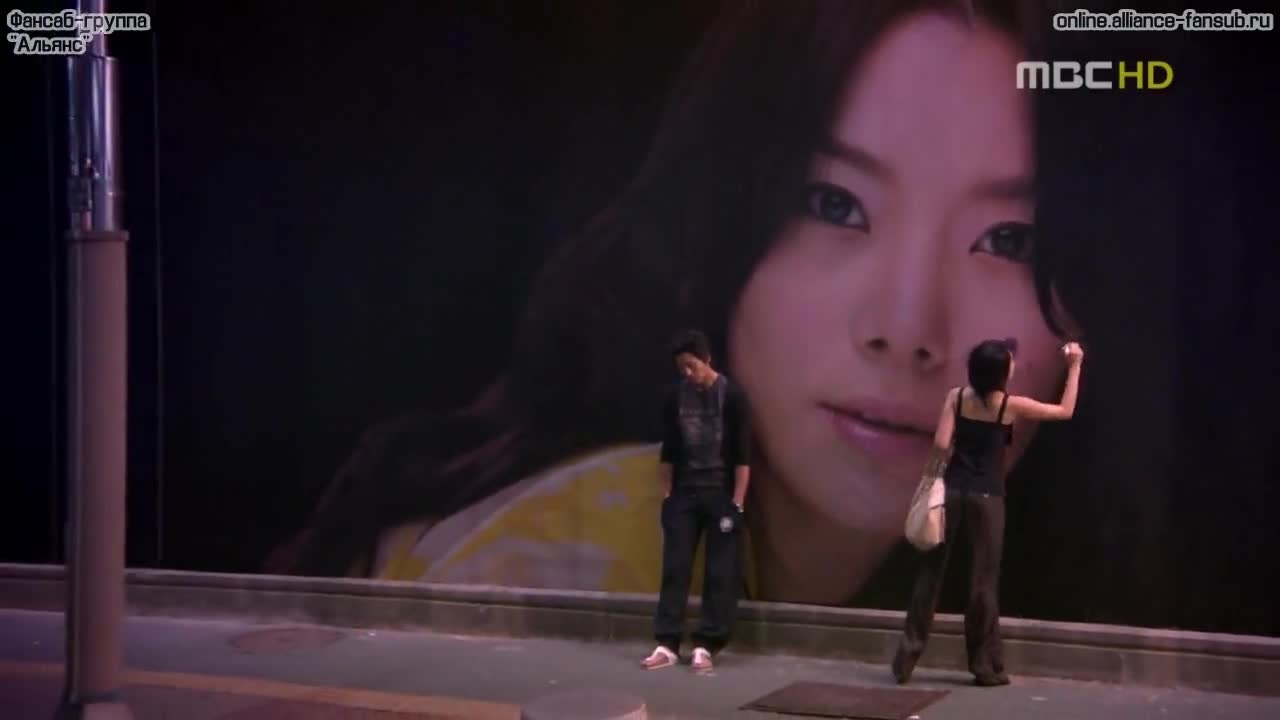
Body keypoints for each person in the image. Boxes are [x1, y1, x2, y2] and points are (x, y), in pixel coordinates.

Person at [267, 0, 1154, 620]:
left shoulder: (1005, 591)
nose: (908, 329)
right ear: (719, 230)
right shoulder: (598, 560)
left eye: (1010, 240)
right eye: (833, 204)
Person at [892, 338, 1084, 687]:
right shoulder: (1008, 405)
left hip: (952, 491)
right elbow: (1064, 411)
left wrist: (932, 482)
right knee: (983, 581)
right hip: (987, 496)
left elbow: (941, 444)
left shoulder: (956, 398)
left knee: (930, 574)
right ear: (1000, 373)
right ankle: (984, 666)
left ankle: (906, 659)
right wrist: (1075, 366)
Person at [641, 330, 751, 673]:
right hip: (684, 495)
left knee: (719, 572)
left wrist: (737, 502)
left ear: (707, 360)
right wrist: (667, 494)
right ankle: (667, 643)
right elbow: (669, 450)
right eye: (682, 369)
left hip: (720, 495)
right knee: (675, 568)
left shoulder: (732, 396)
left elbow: (743, 455)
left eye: (692, 366)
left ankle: (706, 644)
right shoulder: (676, 397)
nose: (687, 374)